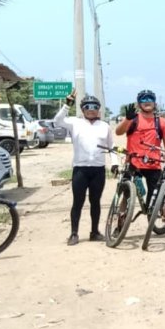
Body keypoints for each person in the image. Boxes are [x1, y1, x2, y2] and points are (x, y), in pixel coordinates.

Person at [54, 94, 114, 245]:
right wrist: (67, 104)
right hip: (80, 169)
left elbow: (111, 147)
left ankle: (95, 232)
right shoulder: (75, 123)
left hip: (98, 170)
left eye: (94, 107)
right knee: (78, 202)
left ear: (99, 110)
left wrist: (115, 163)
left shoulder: (105, 126)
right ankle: (74, 234)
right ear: (82, 109)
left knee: (96, 202)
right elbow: (57, 121)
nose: (91, 110)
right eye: (87, 107)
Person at [115, 89, 165, 237]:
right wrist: (127, 119)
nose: (147, 101)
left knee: (160, 196)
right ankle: (119, 224)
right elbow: (118, 132)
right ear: (138, 103)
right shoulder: (133, 119)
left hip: (153, 164)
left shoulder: (160, 121)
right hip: (134, 163)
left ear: (154, 103)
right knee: (126, 195)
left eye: (150, 99)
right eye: (143, 99)